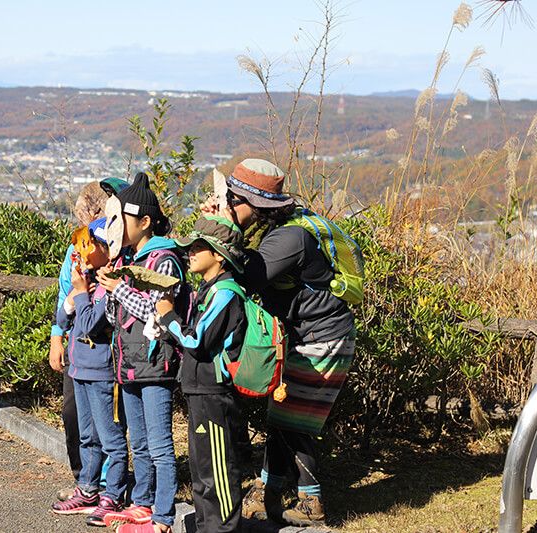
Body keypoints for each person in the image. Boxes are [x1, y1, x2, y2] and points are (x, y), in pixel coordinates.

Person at [203, 158, 356, 527]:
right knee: (282, 416)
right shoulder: (277, 230)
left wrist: (219, 226)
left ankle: (310, 500)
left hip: (322, 337)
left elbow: (245, 277)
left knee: (293, 419)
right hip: (305, 333)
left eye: (228, 201)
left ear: (247, 203)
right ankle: (267, 492)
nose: (223, 205)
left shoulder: (290, 237)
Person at [96, 172, 183, 533]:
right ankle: (142, 504)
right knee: (140, 442)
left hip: (156, 363)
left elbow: (157, 314)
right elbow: (115, 317)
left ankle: (162, 516)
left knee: (161, 445)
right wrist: (108, 286)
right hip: (130, 363)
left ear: (145, 222)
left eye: (122, 219)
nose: (116, 226)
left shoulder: (164, 259)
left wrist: (119, 289)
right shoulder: (128, 260)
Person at [155, 216, 247, 533]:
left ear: (219, 255)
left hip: (216, 395)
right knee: (201, 472)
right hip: (201, 393)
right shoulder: (209, 291)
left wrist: (168, 317)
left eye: (197, 247)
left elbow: (196, 339)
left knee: (218, 474)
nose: (190, 253)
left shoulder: (226, 293)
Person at [49, 178, 128, 500]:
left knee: (109, 421)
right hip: (77, 346)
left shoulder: (119, 257)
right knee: (74, 414)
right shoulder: (79, 245)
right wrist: (57, 335)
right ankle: (85, 480)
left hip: (107, 356)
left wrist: (81, 296)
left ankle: (109, 484)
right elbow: (65, 291)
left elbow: (95, 313)